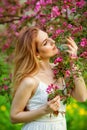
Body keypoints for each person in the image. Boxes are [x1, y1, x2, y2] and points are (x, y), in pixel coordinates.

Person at [10, 26, 87, 130]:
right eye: (45, 43)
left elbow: (81, 97)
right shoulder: (30, 81)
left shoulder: (60, 70)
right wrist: (44, 110)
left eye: (49, 38)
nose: (53, 41)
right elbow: (14, 117)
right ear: (36, 53)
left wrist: (73, 62)